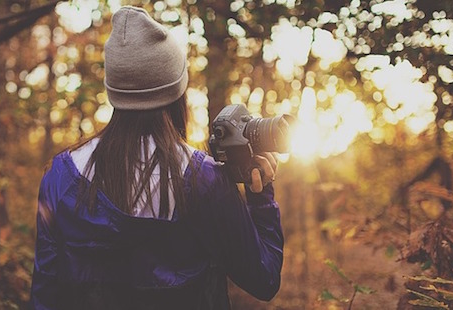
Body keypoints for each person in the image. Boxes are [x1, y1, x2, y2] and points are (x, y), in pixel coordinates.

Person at [30, 6, 283, 310]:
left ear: (115, 91)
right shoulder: (203, 178)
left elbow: (45, 292)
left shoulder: (60, 176)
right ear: (177, 93)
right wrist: (261, 196)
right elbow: (264, 279)